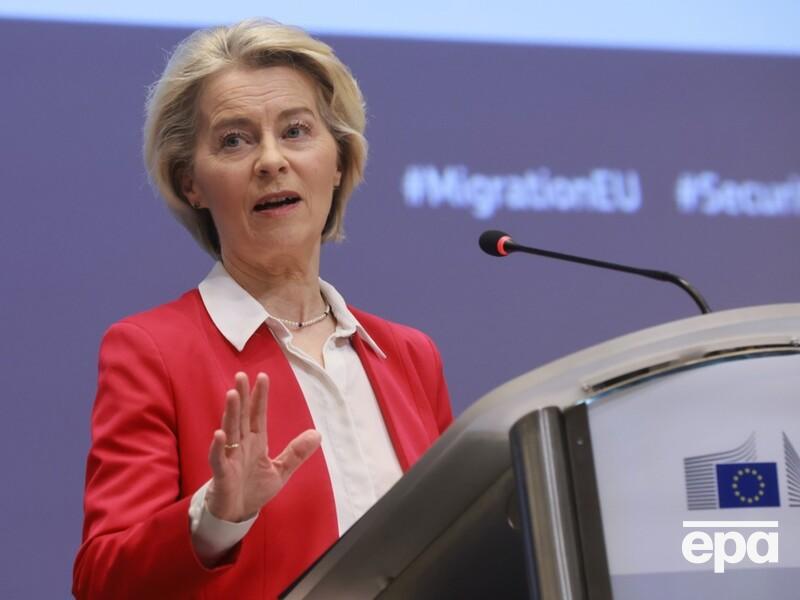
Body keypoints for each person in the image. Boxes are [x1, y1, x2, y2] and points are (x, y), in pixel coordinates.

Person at [73, 19, 452, 599]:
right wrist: (216, 518)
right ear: (191, 182)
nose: (271, 160)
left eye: (296, 131)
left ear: (339, 160)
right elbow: (102, 582)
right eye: (234, 140)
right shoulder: (152, 352)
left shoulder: (408, 356)